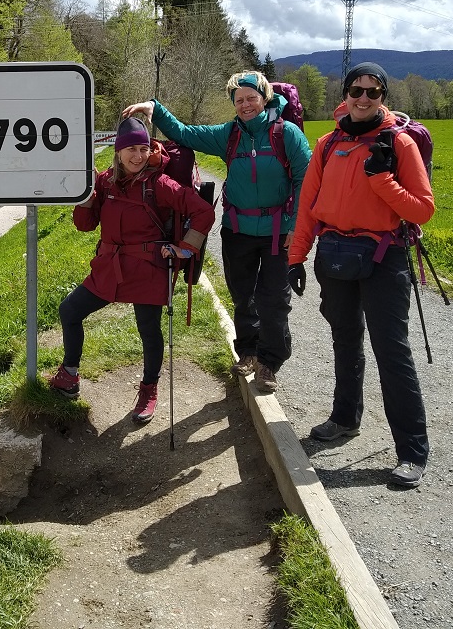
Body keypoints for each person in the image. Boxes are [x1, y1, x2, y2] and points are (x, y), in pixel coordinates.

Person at [287, 62, 435, 489]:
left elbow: (422, 209)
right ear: (346, 94)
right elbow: (308, 206)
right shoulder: (328, 143)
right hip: (335, 254)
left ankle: (412, 451)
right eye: (357, 90)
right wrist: (296, 257)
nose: (364, 98)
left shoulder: (399, 143)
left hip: (385, 257)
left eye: (373, 91)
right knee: (345, 339)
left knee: (392, 351)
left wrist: (383, 180)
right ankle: (345, 417)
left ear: (383, 96)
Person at [122, 71, 310, 393]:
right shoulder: (229, 134)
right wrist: (155, 109)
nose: (246, 105)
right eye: (239, 100)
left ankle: (269, 362)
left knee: (274, 299)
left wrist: (296, 227)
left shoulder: (286, 134)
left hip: (278, 233)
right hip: (237, 230)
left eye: (251, 98)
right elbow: (185, 133)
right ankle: (248, 352)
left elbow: (305, 180)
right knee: (242, 294)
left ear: (264, 98)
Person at [48, 116, 215, 424]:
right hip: (110, 267)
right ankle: (69, 375)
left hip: (148, 268)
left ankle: (148, 390)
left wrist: (185, 248)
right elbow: (85, 226)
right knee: (69, 310)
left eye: (143, 149)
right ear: (118, 151)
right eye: (131, 150)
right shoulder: (104, 181)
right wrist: (86, 197)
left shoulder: (159, 184)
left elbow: (203, 211)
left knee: (148, 330)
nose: (138, 156)